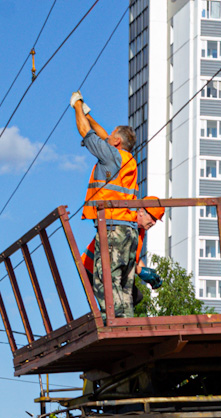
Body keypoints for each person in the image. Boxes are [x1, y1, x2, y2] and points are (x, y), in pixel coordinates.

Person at [72, 90, 163, 318]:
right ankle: (125, 324)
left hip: (112, 229)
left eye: (111, 136)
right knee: (124, 289)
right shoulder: (126, 160)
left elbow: (85, 132)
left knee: (108, 282)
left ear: (117, 141)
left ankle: (112, 324)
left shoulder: (113, 157)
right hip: (126, 230)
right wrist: (89, 115)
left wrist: (76, 105)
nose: (107, 138)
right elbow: (102, 135)